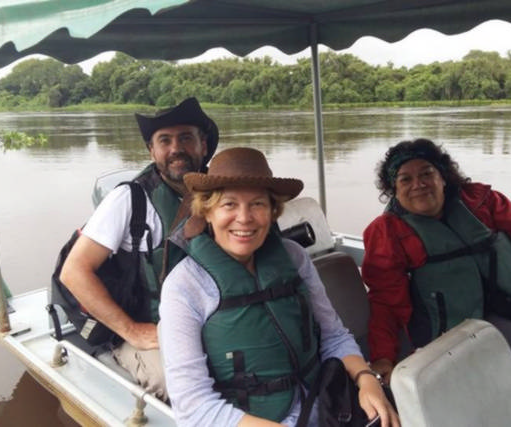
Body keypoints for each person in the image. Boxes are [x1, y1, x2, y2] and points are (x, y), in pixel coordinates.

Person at [159, 147, 400, 427]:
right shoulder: (185, 285)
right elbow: (195, 409)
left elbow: (333, 336)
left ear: (273, 211)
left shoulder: (294, 257)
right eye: (229, 204)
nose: (245, 217)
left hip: (324, 404)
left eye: (258, 204)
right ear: (208, 211)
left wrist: (366, 379)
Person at [362, 138, 511, 426]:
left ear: (443, 177)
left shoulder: (480, 203)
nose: (418, 184)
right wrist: (382, 357)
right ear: (393, 190)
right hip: (461, 321)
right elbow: (384, 299)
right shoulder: (388, 232)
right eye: (405, 179)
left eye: (426, 173)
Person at [59, 97, 218, 400]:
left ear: (204, 145)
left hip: (209, 320)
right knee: (182, 387)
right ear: (152, 150)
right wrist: (132, 331)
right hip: (148, 327)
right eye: (165, 140)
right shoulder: (129, 200)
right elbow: (74, 272)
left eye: (186, 137)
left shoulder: (220, 190)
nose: (176, 149)